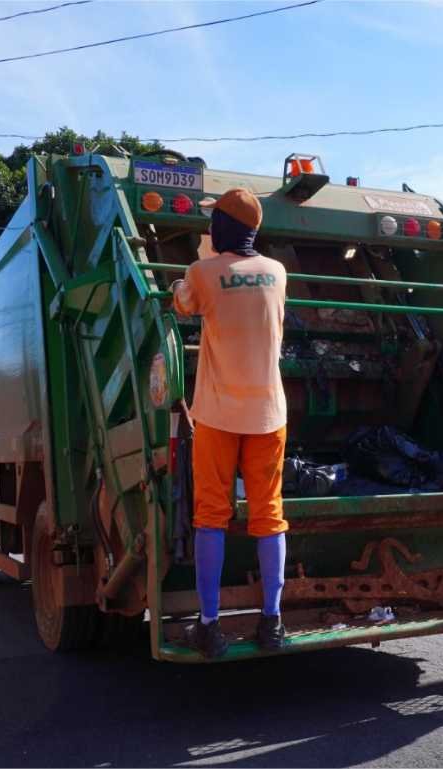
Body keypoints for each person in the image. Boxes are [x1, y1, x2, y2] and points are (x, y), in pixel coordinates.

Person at [172, 188, 289, 657]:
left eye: (211, 221)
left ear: (220, 227)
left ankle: (210, 625)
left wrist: (201, 263)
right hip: (269, 415)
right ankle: (272, 621)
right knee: (269, 518)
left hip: (219, 417)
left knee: (211, 518)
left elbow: (182, 303)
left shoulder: (203, 272)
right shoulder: (278, 273)